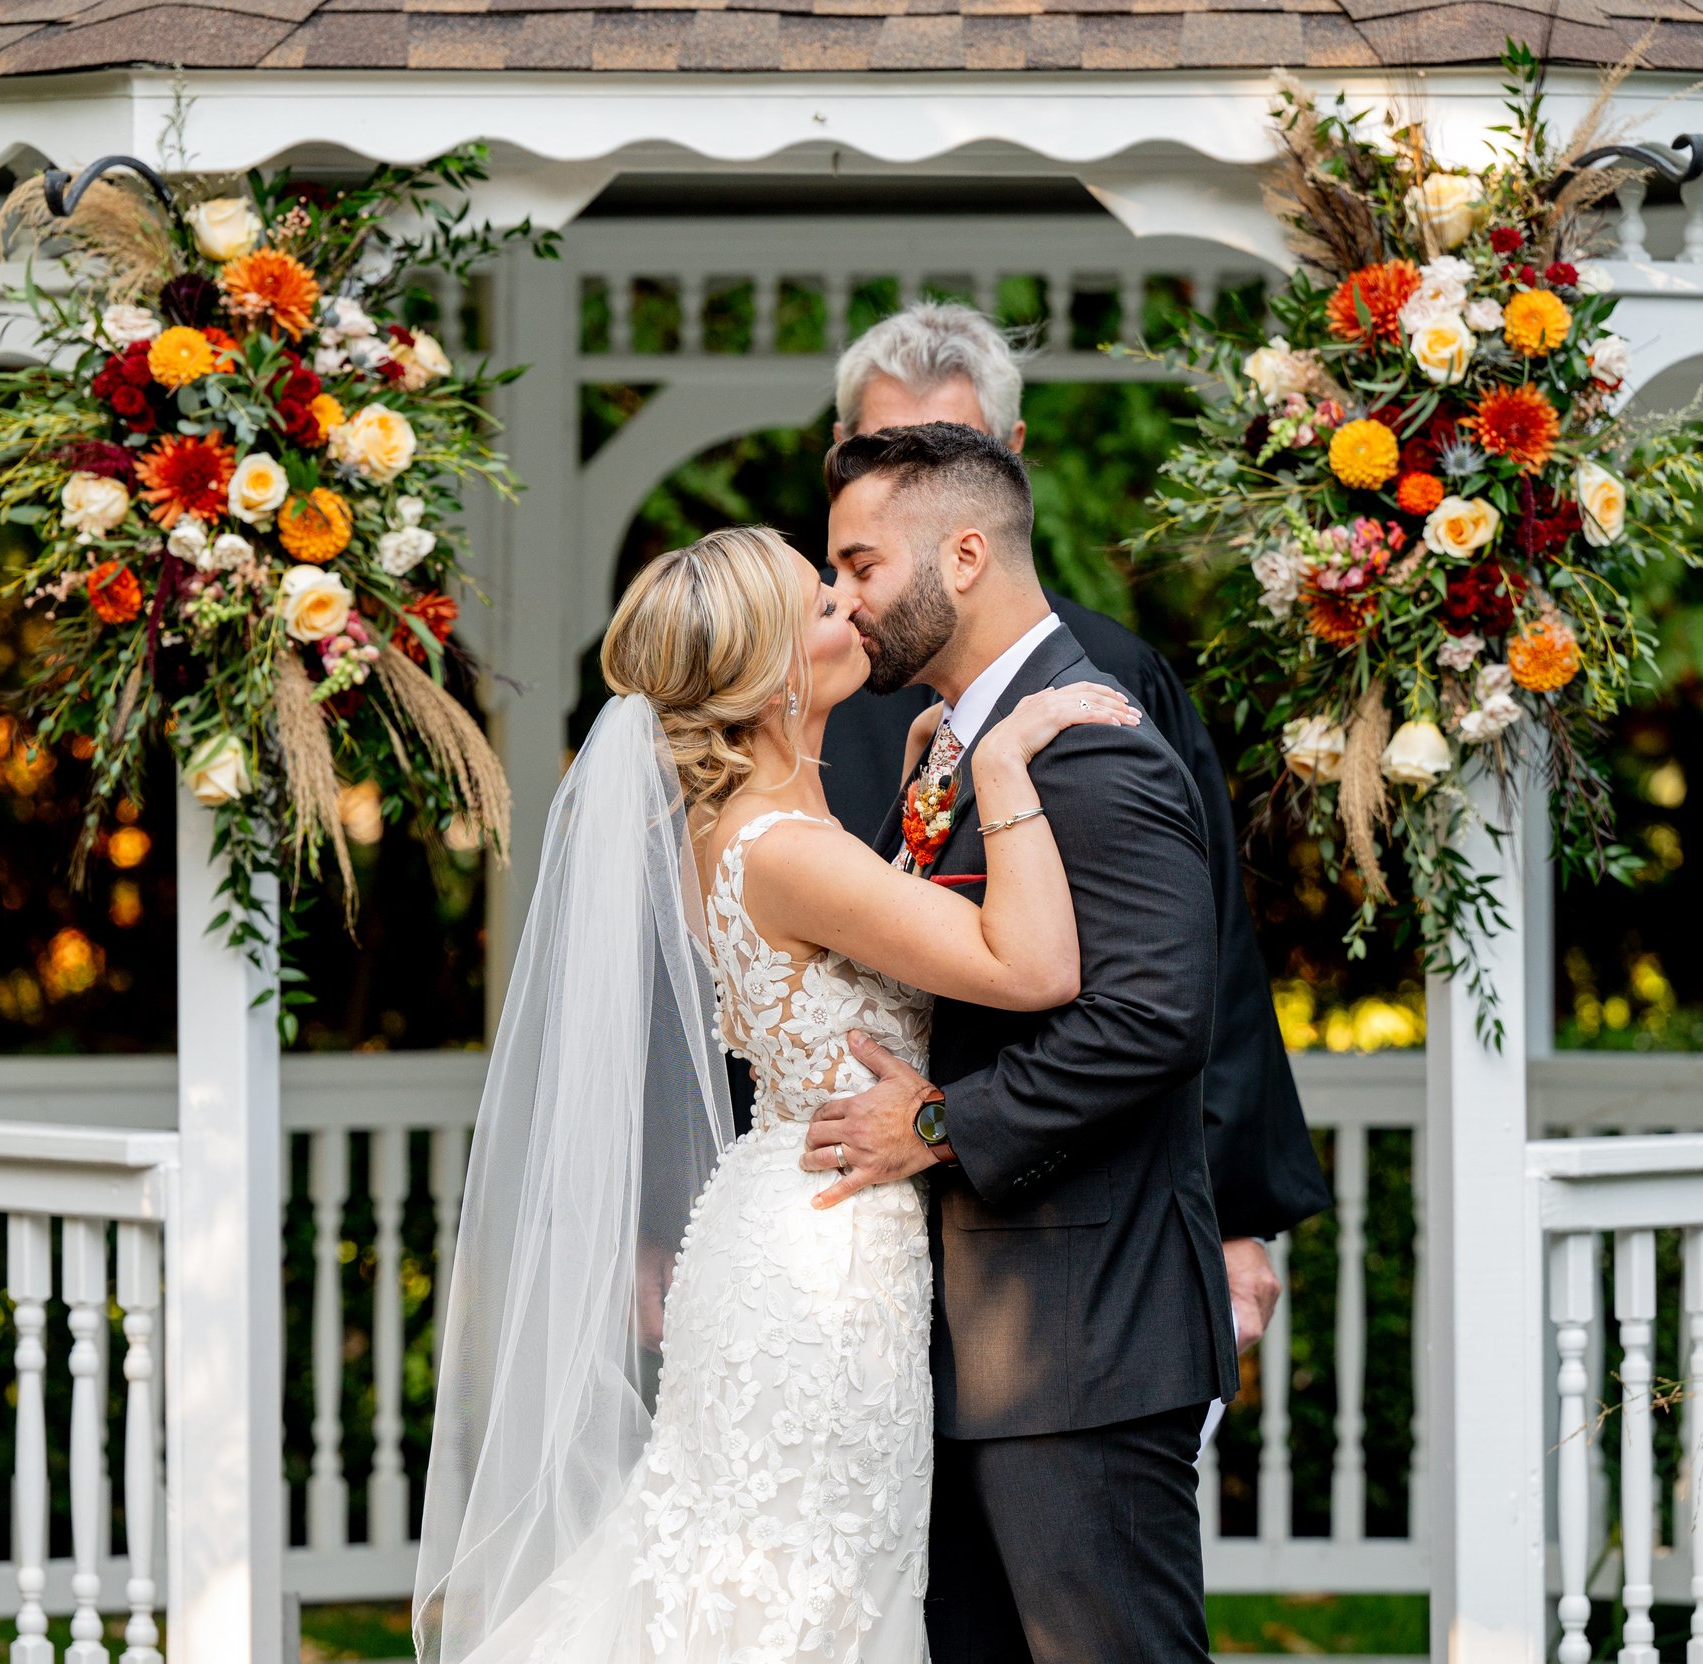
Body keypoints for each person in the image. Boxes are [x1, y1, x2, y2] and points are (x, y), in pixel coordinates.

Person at [413, 523, 1140, 1662]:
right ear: (764, 670)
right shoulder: (785, 848)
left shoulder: (762, 830)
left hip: (799, 1221)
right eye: (818, 603)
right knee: (798, 1590)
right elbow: (1034, 966)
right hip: (820, 1265)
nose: (851, 608)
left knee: (783, 1574)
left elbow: (872, 958)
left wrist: (925, 795)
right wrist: (1000, 767)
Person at [806, 423, 1237, 1663]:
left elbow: (1154, 1014)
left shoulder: (1088, 743)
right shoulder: (953, 746)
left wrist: (940, 1123)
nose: (843, 599)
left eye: (862, 565)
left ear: (965, 552)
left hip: (1079, 1339)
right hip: (989, 1335)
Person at [821, 301, 1330, 1345]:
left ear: (1004, 466)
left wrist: (1234, 1215)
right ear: (840, 454)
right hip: (847, 1232)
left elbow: (1191, 967)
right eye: (884, 447)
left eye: (949, 449)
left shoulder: (1104, 690)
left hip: (1052, 1262)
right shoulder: (801, 673)